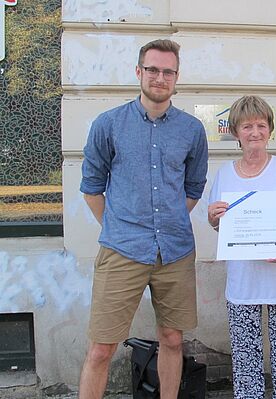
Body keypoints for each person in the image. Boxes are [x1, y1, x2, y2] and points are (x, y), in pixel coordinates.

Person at [78, 39, 208, 399]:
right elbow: (91, 188)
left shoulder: (192, 130)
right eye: (152, 69)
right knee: (101, 348)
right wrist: (119, 227)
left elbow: (193, 188)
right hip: (122, 250)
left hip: (175, 253)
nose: (160, 77)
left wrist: (167, 224)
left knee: (172, 338)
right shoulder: (108, 125)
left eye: (168, 71)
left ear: (176, 77)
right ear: (139, 72)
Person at [207, 95, 276, 399]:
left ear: (270, 130)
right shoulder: (224, 174)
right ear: (236, 132)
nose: (255, 132)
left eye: (261, 125)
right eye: (247, 126)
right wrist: (214, 219)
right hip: (243, 284)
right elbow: (218, 226)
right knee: (245, 365)